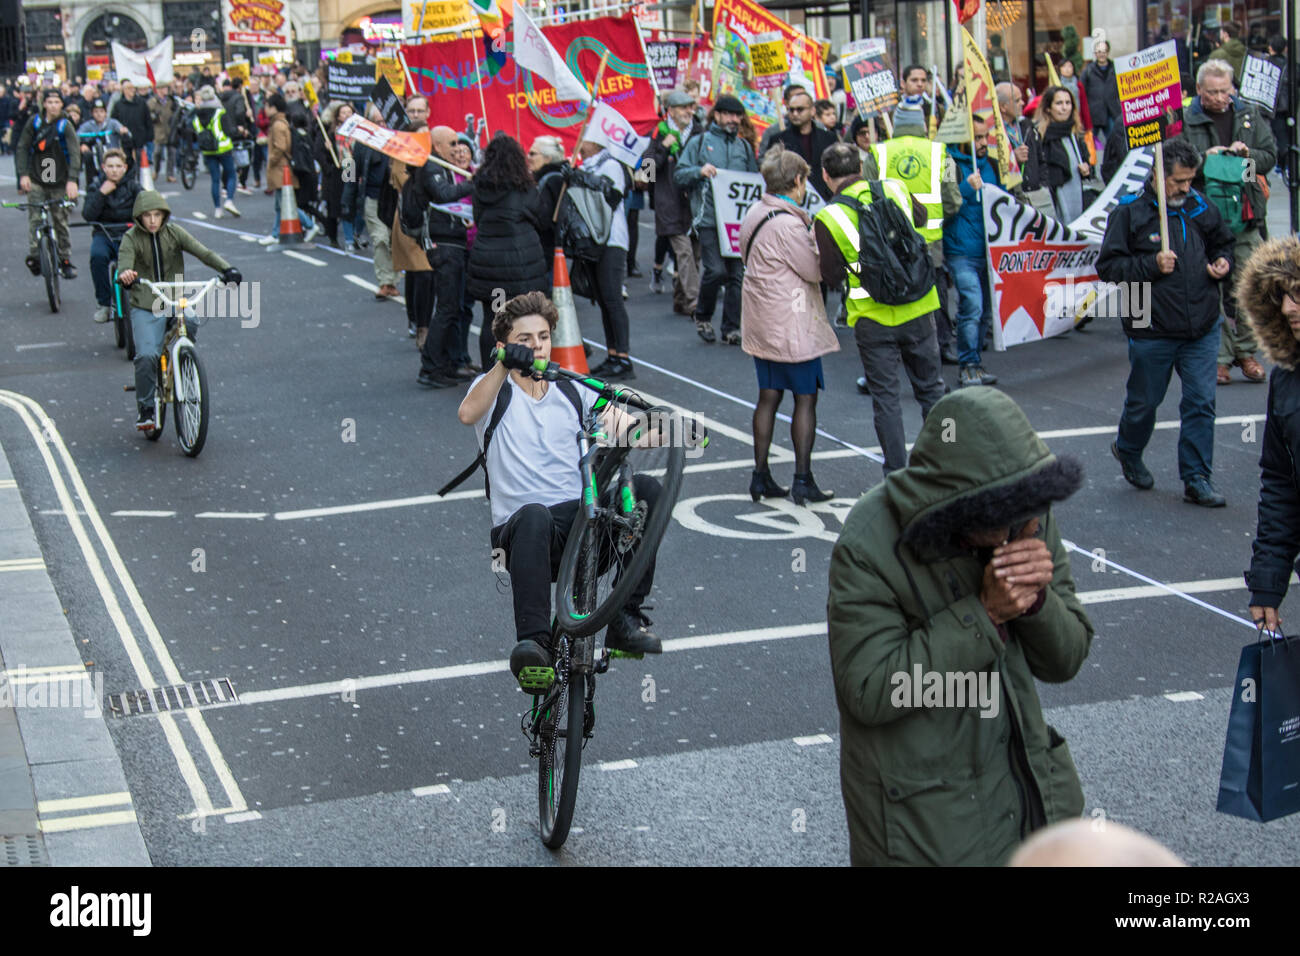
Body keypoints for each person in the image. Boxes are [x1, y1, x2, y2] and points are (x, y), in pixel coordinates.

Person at [827, 386, 1092, 866]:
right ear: (962, 511)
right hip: (924, 824)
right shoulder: (868, 545)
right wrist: (984, 614)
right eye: (1012, 525)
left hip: (1025, 795)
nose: (1031, 532)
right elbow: (868, 688)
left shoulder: (1026, 502)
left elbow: (1067, 657)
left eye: (1036, 518)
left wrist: (1036, 605)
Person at [456, 292, 663, 690]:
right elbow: (468, 413)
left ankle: (626, 618)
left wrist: (679, 431)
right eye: (525, 338)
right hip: (524, 537)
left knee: (647, 490)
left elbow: (629, 429)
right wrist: (502, 364)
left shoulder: (573, 390)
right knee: (535, 513)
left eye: (544, 336)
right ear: (503, 345)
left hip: (582, 529)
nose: (536, 345)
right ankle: (534, 647)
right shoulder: (493, 389)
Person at [1098, 138, 1235, 507]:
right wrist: (1149, 265)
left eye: (1190, 180)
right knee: (1145, 401)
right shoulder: (1129, 213)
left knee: (1201, 401)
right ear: (1157, 173)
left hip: (1201, 324)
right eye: (1178, 181)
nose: (1185, 188)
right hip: (1150, 325)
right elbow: (1108, 269)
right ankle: (1128, 447)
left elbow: (1224, 242)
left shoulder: (1200, 205)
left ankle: (1196, 477)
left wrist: (1223, 263)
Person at [815, 142, 946, 477]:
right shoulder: (894, 187)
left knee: (886, 399)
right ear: (861, 166)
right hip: (919, 305)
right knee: (933, 391)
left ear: (826, 176)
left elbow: (829, 277)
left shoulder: (827, 216)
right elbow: (921, 218)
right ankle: (949, 456)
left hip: (872, 317)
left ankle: (895, 471)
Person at [740, 146, 839, 505]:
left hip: (762, 320)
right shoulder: (789, 223)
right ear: (797, 181)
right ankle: (802, 478)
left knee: (768, 396)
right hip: (792, 323)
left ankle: (760, 475)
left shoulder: (756, 212)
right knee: (805, 399)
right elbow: (813, 271)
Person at [1180, 59, 1277, 385]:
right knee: (1214, 290)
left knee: (1248, 288)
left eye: (1225, 91)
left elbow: (1269, 157)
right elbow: (1172, 160)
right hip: (1206, 217)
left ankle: (1247, 352)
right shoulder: (1186, 118)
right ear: (1199, 90)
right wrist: (1203, 159)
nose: (1221, 98)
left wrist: (1245, 155)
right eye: (1213, 92)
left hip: (1246, 215)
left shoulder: (1249, 114)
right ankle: (1220, 358)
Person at [115, 191, 241, 430]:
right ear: (139, 217)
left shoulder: (175, 233)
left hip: (173, 301)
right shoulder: (131, 239)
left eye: (157, 215)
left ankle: (182, 358)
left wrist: (227, 269)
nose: (153, 220)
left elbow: (202, 252)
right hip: (146, 304)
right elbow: (125, 265)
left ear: (164, 216)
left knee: (191, 320)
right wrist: (126, 275)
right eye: (147, 216)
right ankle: (146, 408)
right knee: (146, 356)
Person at [865, 107, 963, 366]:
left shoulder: (878, 152)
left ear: (895, 125)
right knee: (937, 292)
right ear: (922, 124)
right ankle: (942, 344)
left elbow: (867, 193)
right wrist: (940, 218)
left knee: (896, 292)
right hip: (931, 239)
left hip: (892, 239)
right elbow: (953, 198)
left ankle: (897, 348)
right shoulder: (942, 153)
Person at [1238, 238, 1300, 631]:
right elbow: (1280, 482)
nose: (1288, 308)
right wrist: (1267, 582)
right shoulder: (1287, 379)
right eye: (1284, 296)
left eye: (1299, 295)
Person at [674, 94, 758, 345]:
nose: (734, 120)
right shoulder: (699, 142)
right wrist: (699, 172)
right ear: (717, 115)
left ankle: (731, 327)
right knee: (715, 270)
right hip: (708, 218)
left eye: (738, 115)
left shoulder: (743, 146)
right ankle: (703, 314)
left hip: (736, 222)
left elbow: (753, 179)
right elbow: (678, 174)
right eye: (729, 114)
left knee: (736, 275)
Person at [466, 135, 551, 369]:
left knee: (492, 321)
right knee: (524, 320)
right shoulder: (525, 189)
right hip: (520, 266)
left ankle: (491, 372)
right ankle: (527, 369)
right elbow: (542, 219)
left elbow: (478, 219)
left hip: (489, 267)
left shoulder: (480, 188)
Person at [413, 125, 475, 388]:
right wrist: (475, 183)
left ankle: (446, 363)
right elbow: (444, 195)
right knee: (447, 308)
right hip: (444, 245)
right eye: (451, 144)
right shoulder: (431, 167)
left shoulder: (443, 167)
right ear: (436, 146)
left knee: (453, 307)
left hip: (453, 242)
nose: (456, 148)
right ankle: (430, 367)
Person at [944, 115, 1001, 387]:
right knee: (972, 306)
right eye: (977, 137)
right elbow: (943, 202)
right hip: (961, 251)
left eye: (985, 136)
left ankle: (975, 360)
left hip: (990, 251)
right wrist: (966, 188)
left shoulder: (991, 164)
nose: (983, 142)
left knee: (986, 313)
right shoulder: (947, 163)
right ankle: (967, 364)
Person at [646, 91, 702, 313]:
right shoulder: (659, 132)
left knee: (695, 254)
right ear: (671, 110)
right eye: (683, 107)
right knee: (684, 252)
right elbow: (648, 170)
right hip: (669, 203)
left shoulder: (699, 132)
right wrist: (663, 147)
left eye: (691, 107)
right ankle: (694, 300)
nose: (689, 111)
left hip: (694, 204)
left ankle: (680, 299)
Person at [15, 88, 80, 279]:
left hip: (59, 181)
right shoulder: (34, 122)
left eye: (56, 102)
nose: (53, 106)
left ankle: (65, 259)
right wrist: (23, 174)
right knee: (35, 218)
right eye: (49, 102)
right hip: (36, 179)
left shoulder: (65, 125)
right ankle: (36, 256)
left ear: (62, 104)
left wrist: (73, 180)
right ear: (44, 104)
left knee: (60, 220)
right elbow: (22, 147)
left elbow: (75, 154)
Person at [389, 96, 434, 343]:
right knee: (419, 270)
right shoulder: (401, 147)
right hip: (410, 217)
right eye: (412, 110)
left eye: (420, 110)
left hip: (433, 220)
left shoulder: (434, 145)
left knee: (425, 273)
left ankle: (421, 319)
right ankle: (418, 322)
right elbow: (399, 179)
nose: (416, 114)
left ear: (428, 112)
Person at [81, 147, 141, 324]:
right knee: (97, 257)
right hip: (104, 233)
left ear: (124, 168)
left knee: (146, 259)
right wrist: (101, 193)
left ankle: (146, 300)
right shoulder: (95, 186)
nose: (114, 170)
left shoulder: (134, 186)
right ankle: (104, 304)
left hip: (130, 234)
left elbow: (148, 207)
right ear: (103, 168)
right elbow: (88, 215)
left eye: (118, 166)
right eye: (110, 166)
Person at [343, 104, 396, 294]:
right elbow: (350, 170)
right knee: (380, 239)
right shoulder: (361, 143)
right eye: (378, 121)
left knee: (393, 240)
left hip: (395, 198)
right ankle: (385, 281)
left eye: (384, 121)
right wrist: (347, 198)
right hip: (372, 198)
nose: (381, 125)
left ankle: (393, 279)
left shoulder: (398, 141)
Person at [1028, 85, 1094, 224]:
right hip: (1053, 202)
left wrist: (1087, 168)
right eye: (1059, 103)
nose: (1064, 108)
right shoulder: (1039, 136)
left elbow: (1087, 163)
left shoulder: (1075, 134)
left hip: (1077, 199)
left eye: (1068, 103)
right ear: (1048, 108)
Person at [259, 92, 318, 246]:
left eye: (267, 106)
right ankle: (275, 232)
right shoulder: (281, 123)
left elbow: (281, 146)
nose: (265, 109)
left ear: (274, 107)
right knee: (281, 204)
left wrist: (271, 160)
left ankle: (310, 225)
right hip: (282, 168)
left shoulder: (278, 125)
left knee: (285, 203)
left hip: (281, 169)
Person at [774, 87, 839, 200]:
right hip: (791, 199)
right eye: (791, 110)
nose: (794, 113)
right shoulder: (779, 139)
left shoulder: (829, 138)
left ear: (812, 111)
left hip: (823, 199)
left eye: (800, 109)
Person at [192, 85, 241, 220]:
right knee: (231, 174)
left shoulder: (197, 115)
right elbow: (229, 131)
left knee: (215, 179)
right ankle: (229, 200)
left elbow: (194, 131)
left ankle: (217, 209)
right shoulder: (220, 112)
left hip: (207, 150)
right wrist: (238, 132)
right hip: (223, 148)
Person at [77, 99, 130, 188]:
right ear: (92, 113)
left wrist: (123, 131)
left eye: (101, 111)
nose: (99, 114)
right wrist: (82, 145)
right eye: (96, 111)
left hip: (112, 157)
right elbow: (76, 136)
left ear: (105, 112)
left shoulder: (112, 123)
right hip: (95, 159)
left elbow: (124, 132)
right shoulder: (87, 125)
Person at [1081, 40, 1121, 140]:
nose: (1101, 54)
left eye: (1104, 51)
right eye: (1099, 52)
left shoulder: (1116, 69)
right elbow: (1082, 91)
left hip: (1112, 112)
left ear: (1108, 52)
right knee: (1090, 143)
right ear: (1095, 53)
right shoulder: (1088, 70)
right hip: (1094, 113)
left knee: (1115, 141)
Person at [1265, 35, 1290, 186]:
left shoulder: (1266, 64)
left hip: (1273, 106)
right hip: (1288, 107)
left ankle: (1282, 165)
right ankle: (1284, 164)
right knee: (1284, 136)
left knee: (1279, 137)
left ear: (1271, 48)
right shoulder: (1290, 65)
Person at [110, 80, 153, 165]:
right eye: (129, 88)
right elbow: (113, 121)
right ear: (124, 90)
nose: (132, 90)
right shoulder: (119, 104)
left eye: (133, 88)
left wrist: (149, 135)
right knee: (127, 160)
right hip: (125, 138)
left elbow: (147, 119)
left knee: (140, 160)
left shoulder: (141, 103)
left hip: (139, 136)